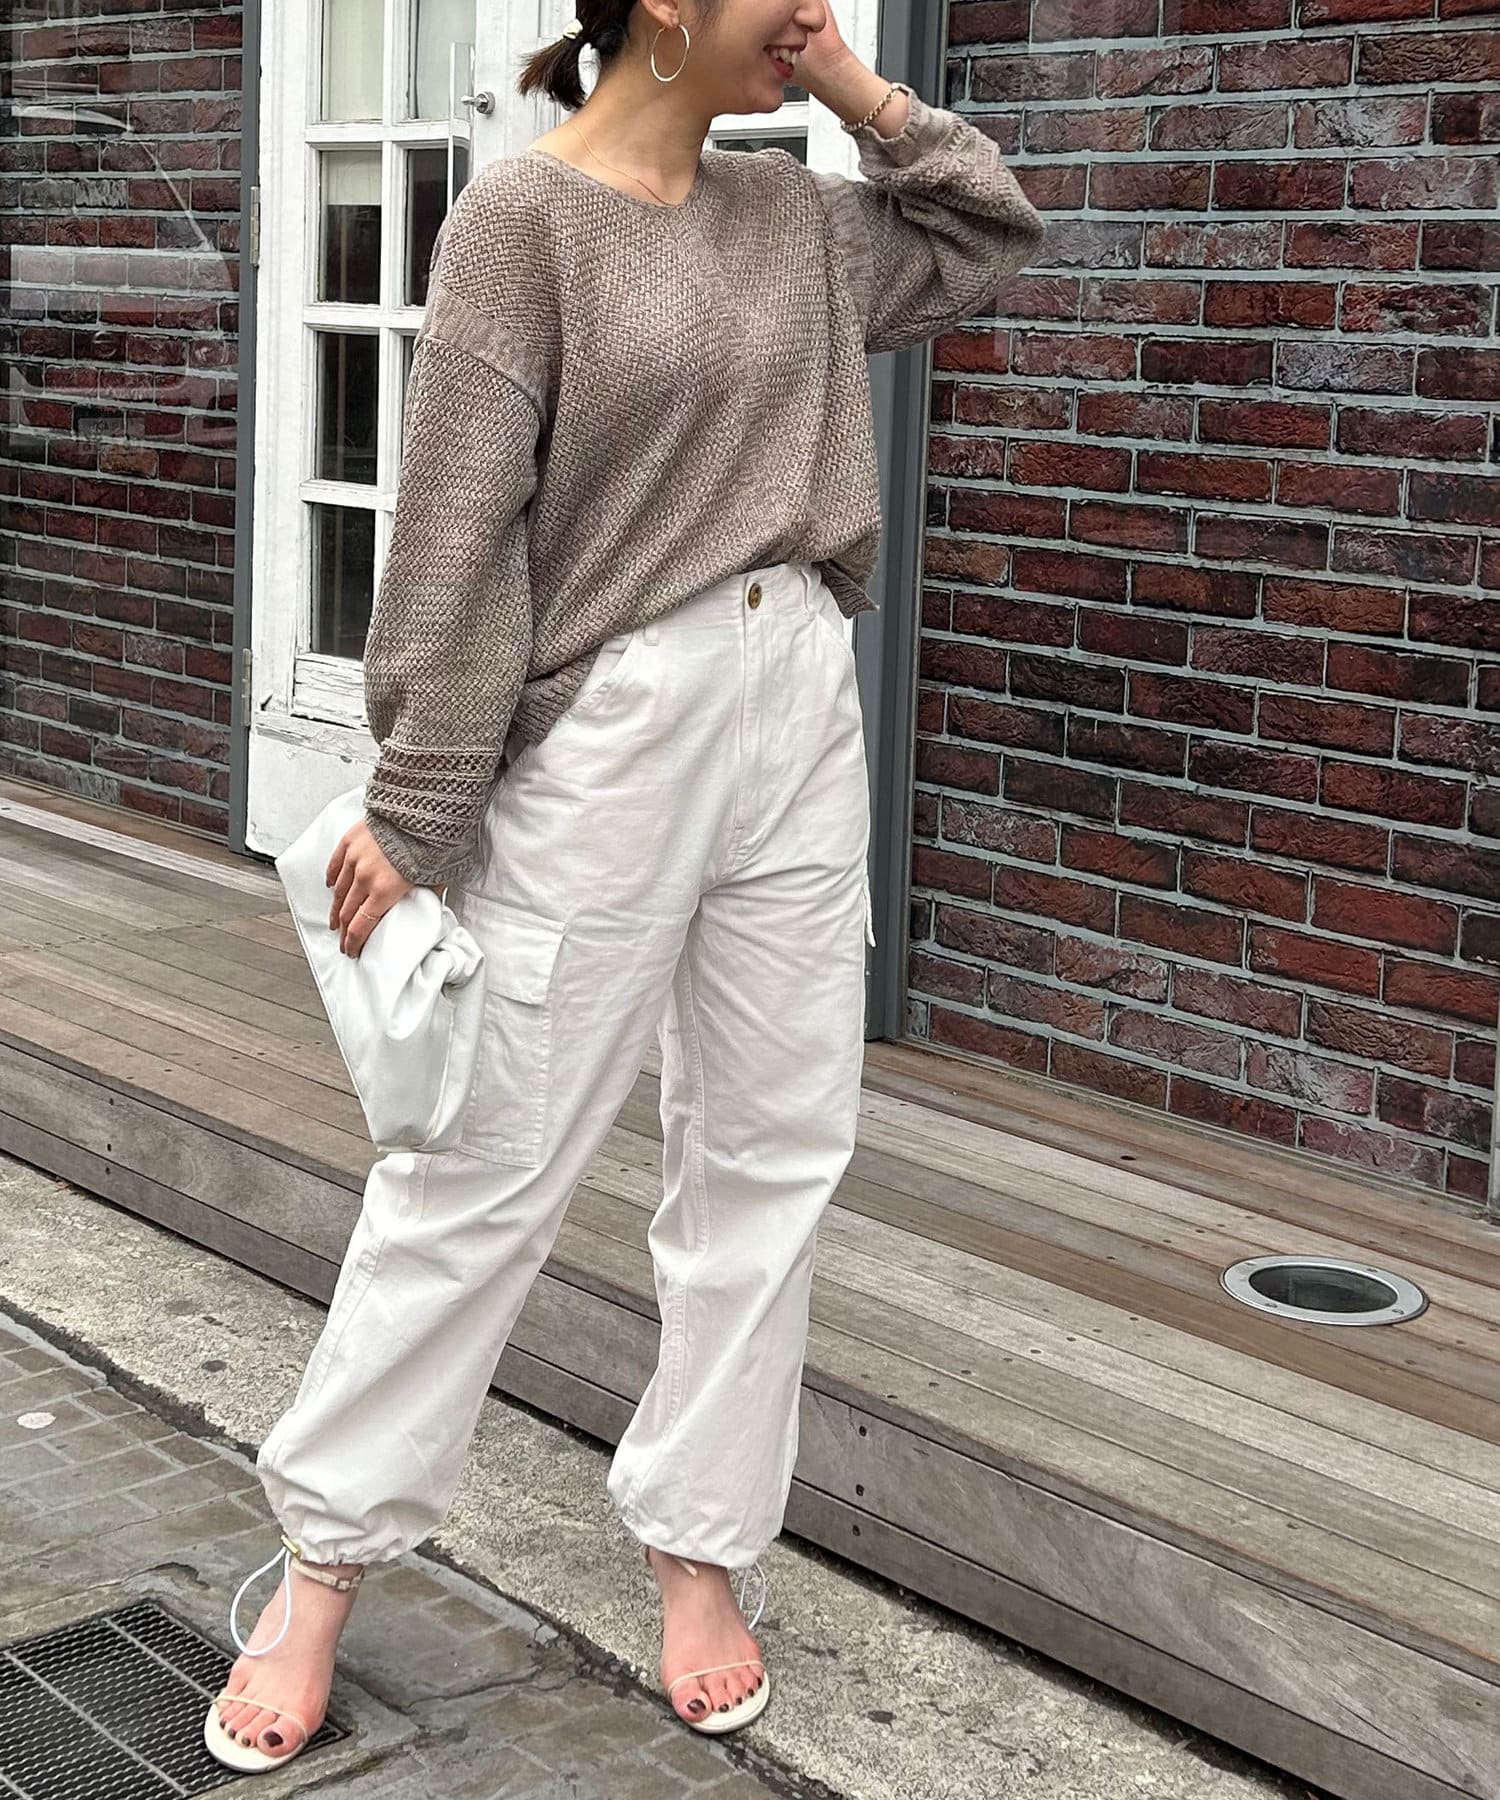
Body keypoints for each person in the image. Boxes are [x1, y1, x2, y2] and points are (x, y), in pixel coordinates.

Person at [207, 0, 1044, 1771]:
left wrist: (852, 87)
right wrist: (422, 798)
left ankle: (699, 1542)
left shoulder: (794, 217)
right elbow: (457, 529)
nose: (810, 9)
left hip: (797, 697)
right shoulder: (523, 224)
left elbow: (985, 229)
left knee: (769, 1153)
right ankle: (324, 1559)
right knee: (485, 1156)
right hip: (614, 725)